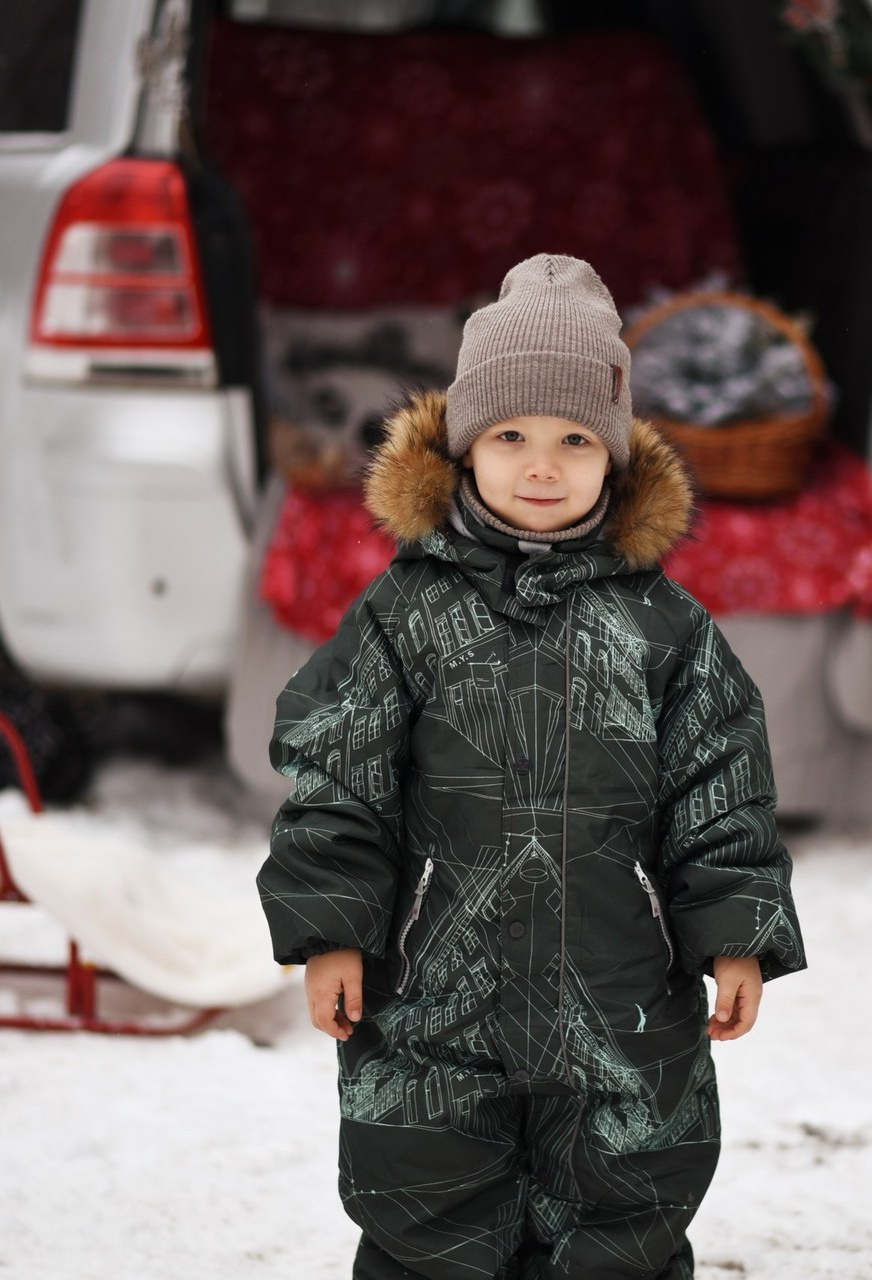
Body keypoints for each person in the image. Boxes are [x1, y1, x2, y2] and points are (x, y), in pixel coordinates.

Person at [258, 254, 806, 1280]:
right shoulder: (404, 612)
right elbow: (339, 776)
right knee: (424, 1204)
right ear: (465, 445)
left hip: (619, 997)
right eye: (510, 436)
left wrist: (736, 934)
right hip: (432, 991)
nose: (541, 466)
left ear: (614, 457)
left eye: (573, 440)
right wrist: (331, 929)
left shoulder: (664, 627)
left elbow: (722, 789)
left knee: (626, 1208)